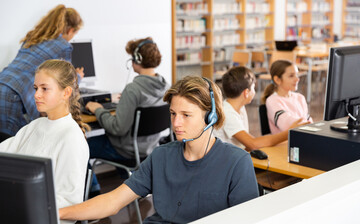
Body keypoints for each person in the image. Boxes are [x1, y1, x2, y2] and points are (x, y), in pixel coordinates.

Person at [59, 76, 259, 223]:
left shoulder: (236, 162)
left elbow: (248, 219)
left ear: (211, 117)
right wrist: (59, 213)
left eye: (186, 115)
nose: (176, 123)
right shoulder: (162, 155)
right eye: (173, 113)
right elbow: (113, 201)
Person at [0, 60, 89, 224]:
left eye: (44, 89)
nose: (36, 94)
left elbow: (70, 201)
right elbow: (4, 153)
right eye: (35, 88)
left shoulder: (72, 138)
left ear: (66, 93)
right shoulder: (36, 126)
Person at [85, 37, 169, 194]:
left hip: (127, 150)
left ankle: (93, 192)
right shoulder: (166, 87)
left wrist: (98, 109)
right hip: (150, 147)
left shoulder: (133, 90)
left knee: (82, 146)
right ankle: (132, 185)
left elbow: (118, 129)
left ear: (136, 60)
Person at [0, 4, 83, 136]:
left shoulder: (33, 38)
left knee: (5, 145)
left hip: (3, 83)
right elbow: (65, 78)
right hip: (15, 94)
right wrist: (78, 76)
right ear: (70, 30)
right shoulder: (63, 46)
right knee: (14, 149)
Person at [214, 66, 307, 151]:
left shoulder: (240, 107)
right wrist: (290, 133)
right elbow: (252, 144)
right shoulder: (227, 113)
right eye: (253, 87)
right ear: (246, 92)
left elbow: (247, 143)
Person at [262, 60, 313, 134]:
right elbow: (287, 125)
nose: (297, 79)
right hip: (284, 144)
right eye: (291, 76)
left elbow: (310, 123)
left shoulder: (300, 98)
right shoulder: (272, 100)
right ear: (277, 80)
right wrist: (307, 124)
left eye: (297, 75)